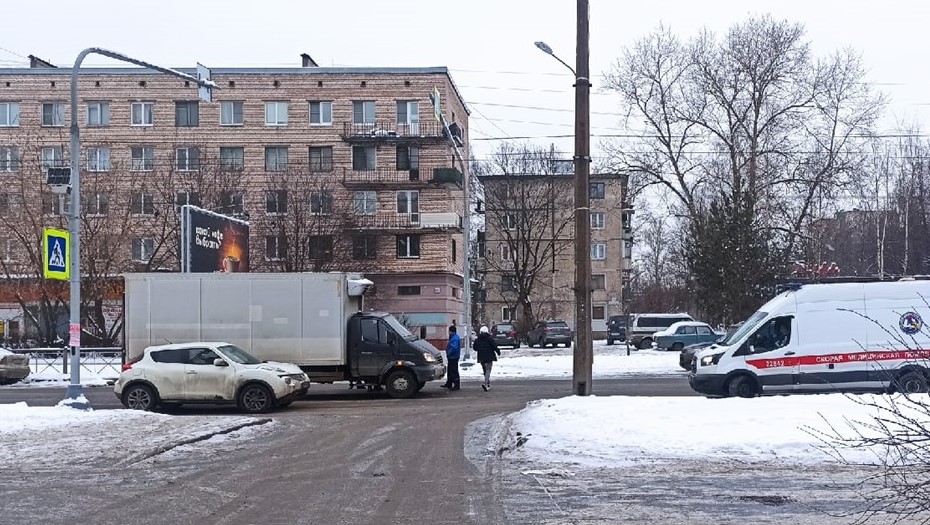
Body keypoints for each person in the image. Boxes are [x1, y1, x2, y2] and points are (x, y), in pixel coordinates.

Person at [473, 325, 500, 391]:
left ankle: (487, 383)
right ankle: (486, 383)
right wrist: (498, 351)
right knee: (488, 370)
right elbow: (494, 346)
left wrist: (480, 349)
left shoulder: (478, 339)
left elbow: (475, 348)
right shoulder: (489, 338)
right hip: (489, 357)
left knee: (485, 370)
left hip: (481, 357)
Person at [441, 325, 461, 390]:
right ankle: (449, 383)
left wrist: (449, 353)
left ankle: (456, 384)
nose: (448, 332)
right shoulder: (453, 337)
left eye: (449, 331)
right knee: (450, 370)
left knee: (453, 370)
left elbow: (454, 348)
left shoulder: (455, 338)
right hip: (452, 357)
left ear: (452, 331)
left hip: (453, 357)